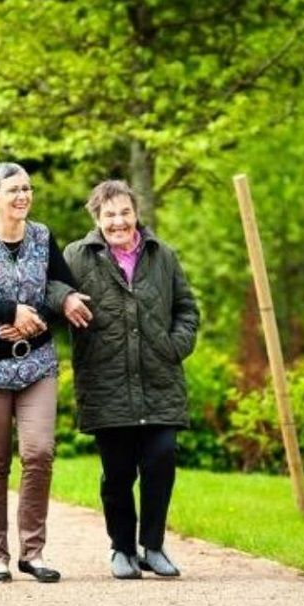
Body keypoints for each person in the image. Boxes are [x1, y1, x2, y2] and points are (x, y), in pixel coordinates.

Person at [0, 161, 92, 583]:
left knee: (39, 452)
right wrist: (10, 311)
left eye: (27, 188)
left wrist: (38, 316)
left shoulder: (43, 237)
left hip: (38, 364)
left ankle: (34, 552)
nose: (23, 196)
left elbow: (61, 289)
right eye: (13, 190)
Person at [63, 180, 199, 579]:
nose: (118, 221)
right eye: (109, 215)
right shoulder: (75, 256)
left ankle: (152, 546)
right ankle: (122, 549)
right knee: (118, 472)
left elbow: (187, 308)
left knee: (161, 460)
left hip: (159, 378)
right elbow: (51, 289)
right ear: (97, 218)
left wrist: (174, 346)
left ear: (136, 214)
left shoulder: (164, 255)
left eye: (124, 212)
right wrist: (63, 298)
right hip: (106, 381)